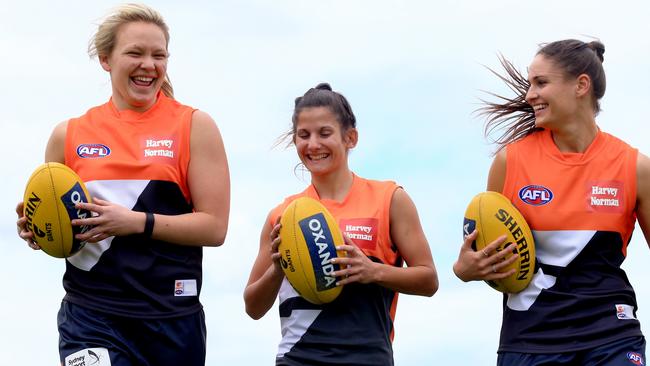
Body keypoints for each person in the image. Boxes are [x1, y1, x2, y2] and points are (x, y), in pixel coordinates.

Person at [15, 4, 230, 365]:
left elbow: (214, 227)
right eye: (135, 53)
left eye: (158, 55)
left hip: (171, 321)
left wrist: (135, 222)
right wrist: (37, 228)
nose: (149, 64)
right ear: (105, 59)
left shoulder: (194, 126)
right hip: (90, 316)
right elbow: (59, 224)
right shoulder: (67, 135)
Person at [453, 39, 649, 365]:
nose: (530, 94)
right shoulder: (510, 162)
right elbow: (488, 259)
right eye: (530, 83)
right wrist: (465, 269)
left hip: (612, 336)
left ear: (581, 86)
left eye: (541, 83)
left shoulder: (634, 168)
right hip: (531, 340)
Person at [243, 83, 438, 365]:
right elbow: (252, 307)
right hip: (298, 358)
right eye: (303, 135)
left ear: (350, 138)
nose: (313, 145)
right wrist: (277, 269)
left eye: (325, 133)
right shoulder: (282, 215)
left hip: (367, 357)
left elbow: (428, 280)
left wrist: (372, 271)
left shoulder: (389, 199)